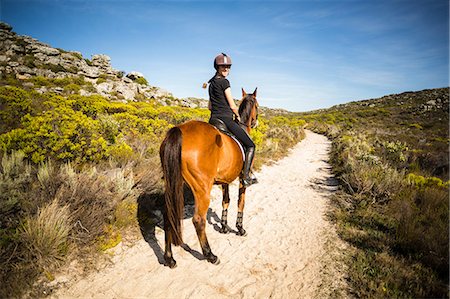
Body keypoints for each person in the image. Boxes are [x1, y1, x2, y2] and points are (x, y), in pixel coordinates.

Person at [207, 53, 258, 187]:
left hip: (213, 120)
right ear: (217, 67)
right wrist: (238, 116)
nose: (226, 69)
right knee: (251, 145)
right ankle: (246, 177)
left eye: (228, 66)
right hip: (226, 120)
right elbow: (232, 104)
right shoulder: (225, 82)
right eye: (223, 66)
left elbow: (209, 106)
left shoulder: (211, 84)